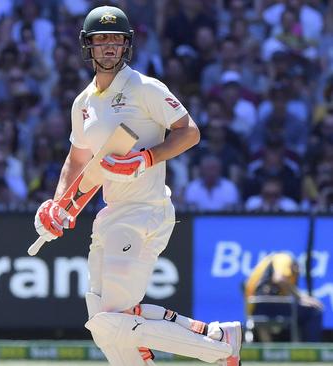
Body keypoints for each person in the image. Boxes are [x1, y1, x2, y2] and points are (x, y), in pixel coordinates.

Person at [33, 6, 241, 366]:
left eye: (117, 40)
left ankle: (221, 348)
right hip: (112, 212)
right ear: (89, 46)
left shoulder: (145, 88)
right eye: (102, 40)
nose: (110, 47)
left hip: (146, 211)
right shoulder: (83, 104)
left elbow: (189, 132)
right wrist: (56, 205)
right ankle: (216, 336)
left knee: (113, 319)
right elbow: (78, 160)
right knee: (102, 320)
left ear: (126, 46)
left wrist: (145, 158)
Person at [245, 252, 323, 342]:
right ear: (295, 267)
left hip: (256, 308)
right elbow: (279, 278)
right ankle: (311, 351)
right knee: (314, 311)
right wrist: (301, 297)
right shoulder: (284, 258)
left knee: (293, 314)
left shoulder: (270, 264)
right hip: (264, 305)